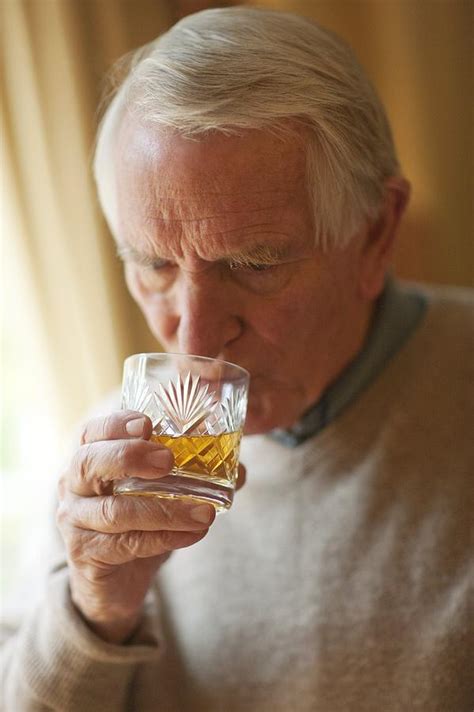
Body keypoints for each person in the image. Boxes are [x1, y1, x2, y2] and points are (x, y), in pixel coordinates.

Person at [1, 7, 472, 711]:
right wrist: (93, 611)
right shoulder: (111, 463)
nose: (191, 342)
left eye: (254, 263)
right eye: (154, 263)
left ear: (377, 234)